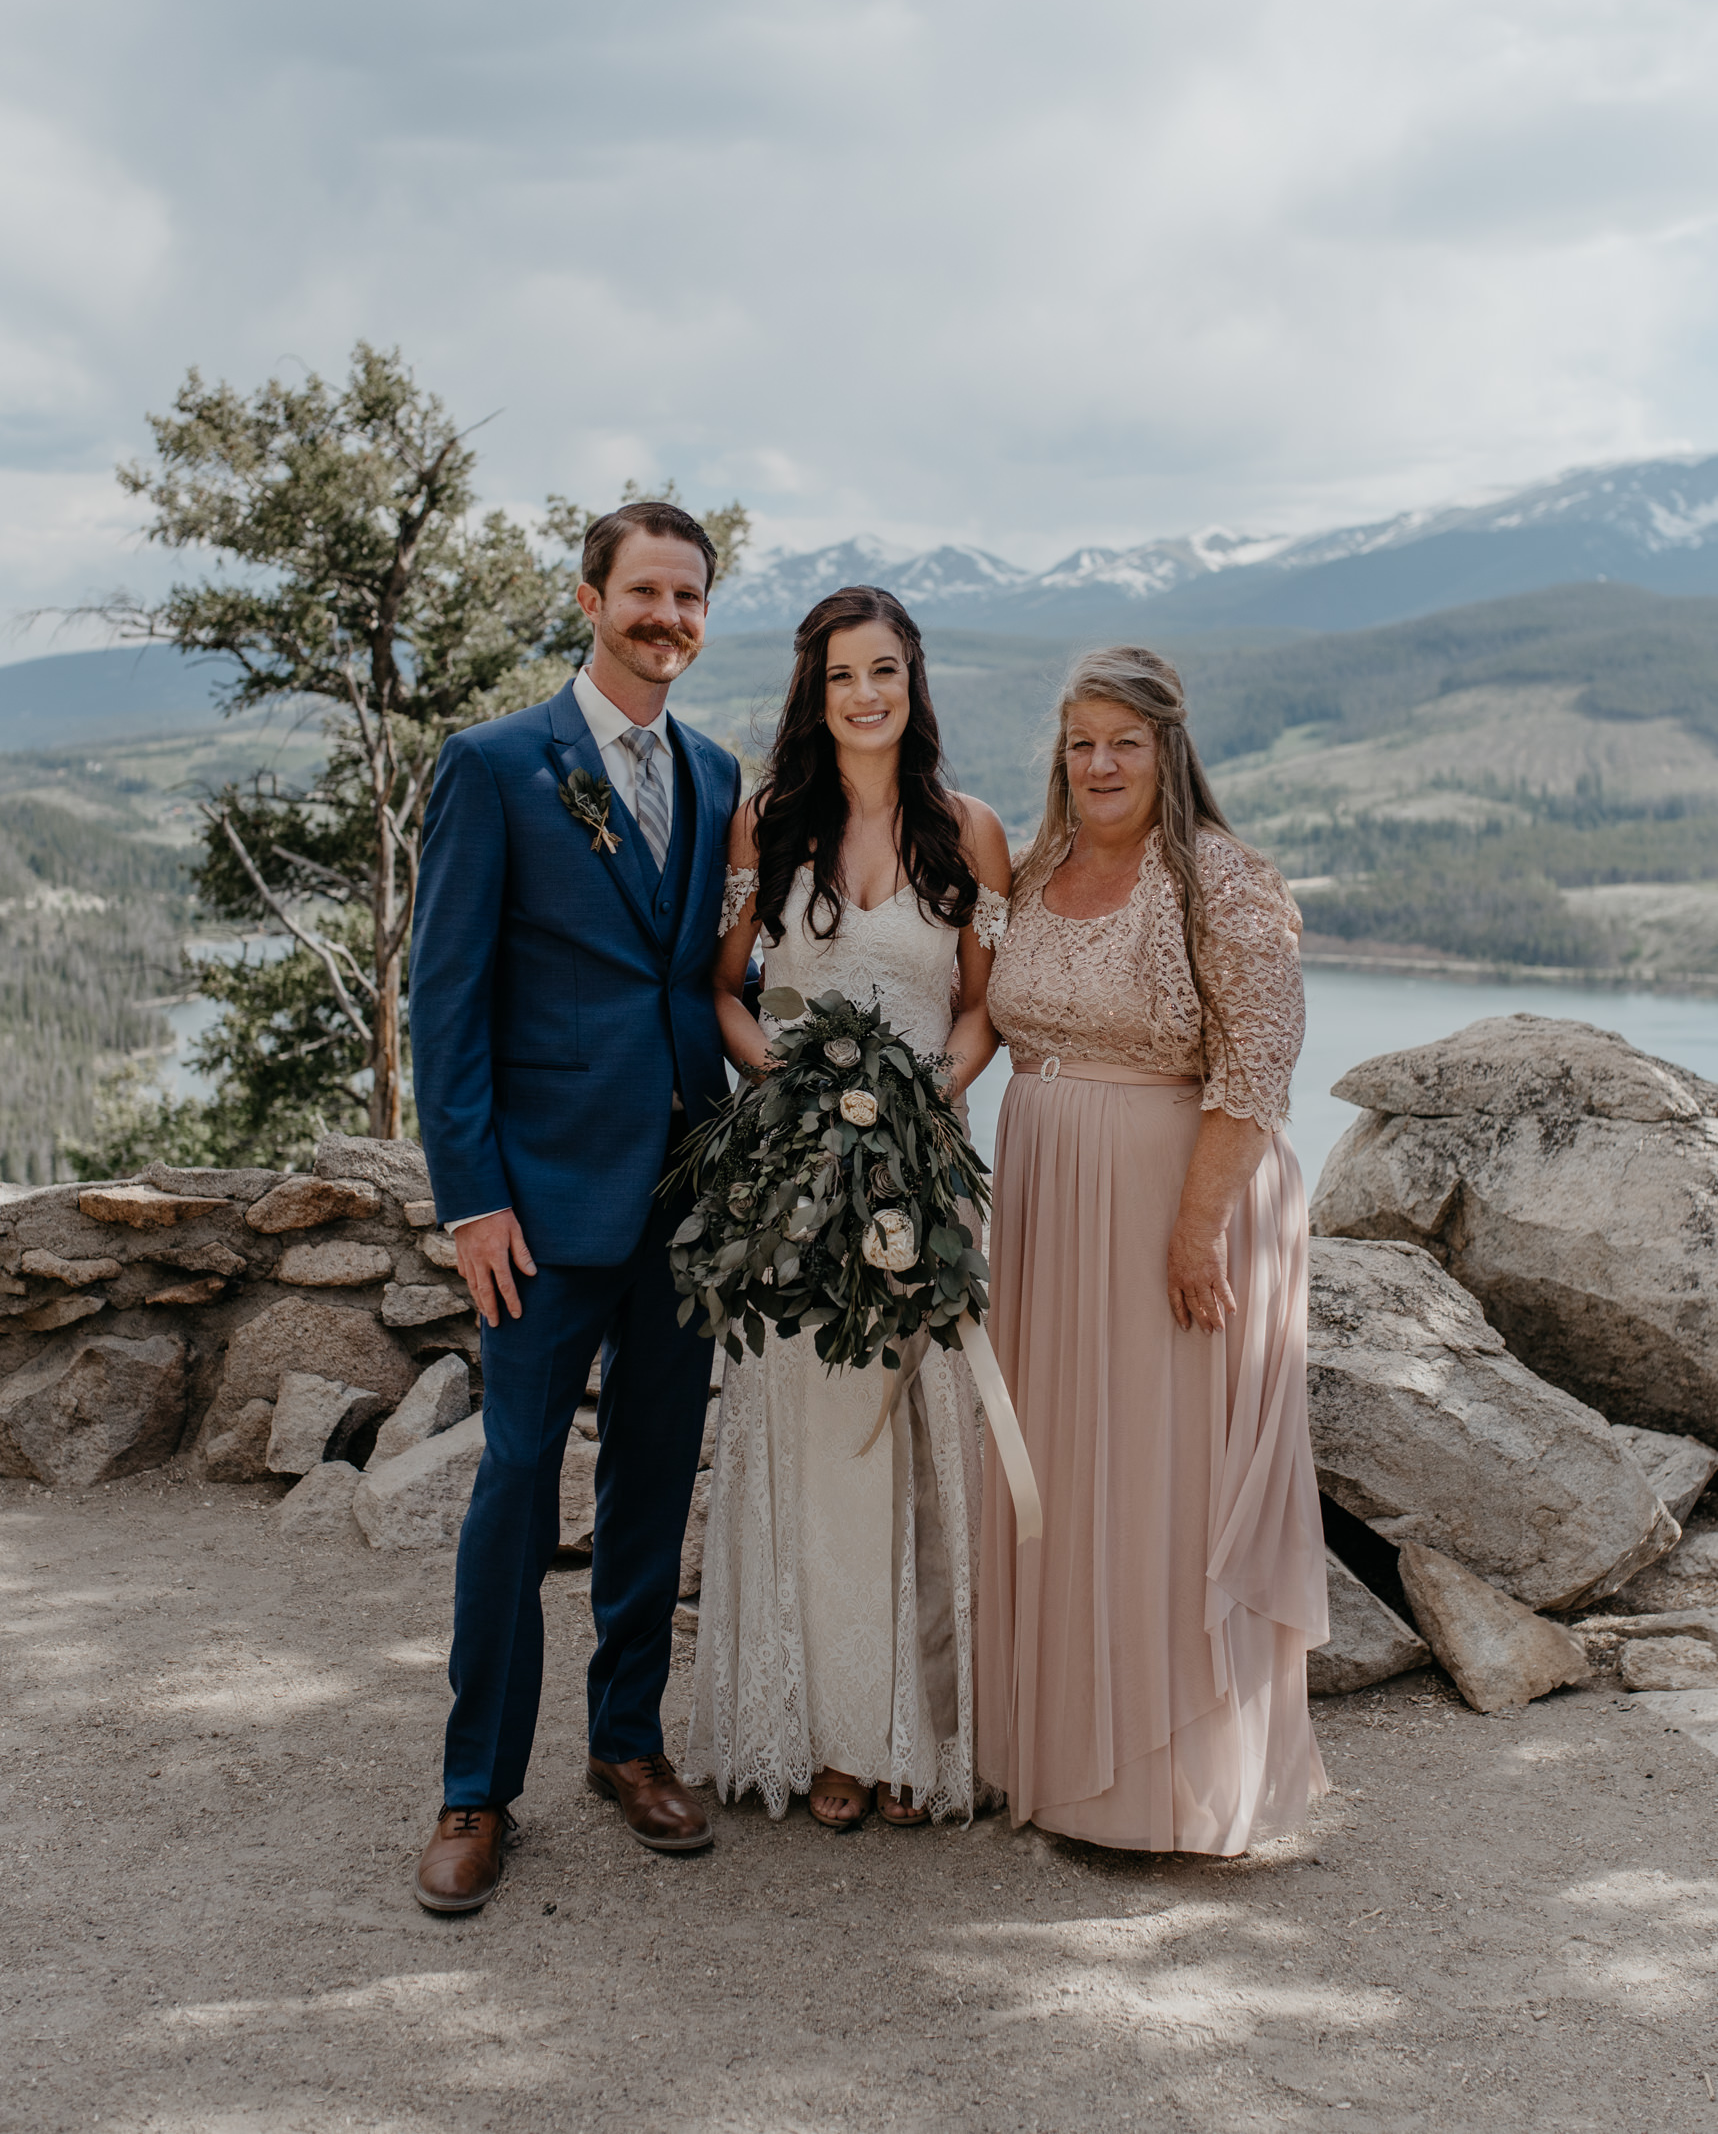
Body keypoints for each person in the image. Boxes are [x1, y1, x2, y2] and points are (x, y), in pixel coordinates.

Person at [407, 498, 743, 1912]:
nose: (667, 618)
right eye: (644, 594)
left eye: (688, 598)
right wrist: (472, 1198)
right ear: (591, 599)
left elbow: (713, 979)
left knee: (654, 1481)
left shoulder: (720, 774)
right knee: (509, 1488)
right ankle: (475, 1789)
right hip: (537, 1209)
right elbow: (445, 999)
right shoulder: (495, 766)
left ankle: (626, 1744)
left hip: (684, 1191)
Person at [975, 644, 1328, 1854]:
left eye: (1123, 739)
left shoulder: (1216, 880)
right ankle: (1060, 1755)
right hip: (1046, 1208)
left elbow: (1256, 1062)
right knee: (1064, 1474)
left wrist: (1194, 1231)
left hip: (1176, 1206)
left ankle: (1161, 1786)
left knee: (1152, 1482)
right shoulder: (1034, 870)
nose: (1099, 762)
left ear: (1168, 748)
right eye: (1079, 741)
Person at [686, 587, 1013, 1829]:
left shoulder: (970, 834)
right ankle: (827, 1731)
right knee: (814, 1441)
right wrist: (778, 1080)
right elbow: (725, 991)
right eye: (839, 677)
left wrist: (930, 1093)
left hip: (924, 1173)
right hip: (792, 1184)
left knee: (918, 1439)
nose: (863, 695)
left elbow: (984, 1003)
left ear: (912, 682)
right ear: (812, 693)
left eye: (883, 671)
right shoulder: (767, 824)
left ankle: (918, 1732)